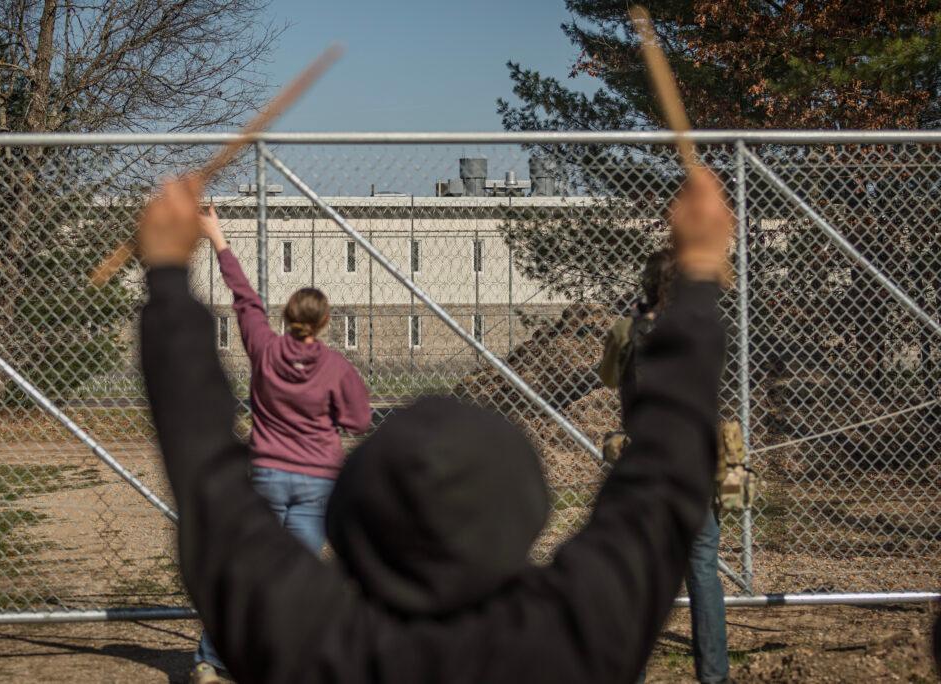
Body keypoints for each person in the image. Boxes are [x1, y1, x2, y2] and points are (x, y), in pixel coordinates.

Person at [137, 167, 733, 684]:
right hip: (311, 472)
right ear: (527, 509)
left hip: (271, 469)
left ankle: (208, 661)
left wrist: (167, 276)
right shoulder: (577, 641)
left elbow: (206, 472)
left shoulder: (307, 647)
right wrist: (699, 276)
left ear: (357, 521)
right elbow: (666, 468)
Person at [189, 205, 372, 683]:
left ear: (288, 317)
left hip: (267, 473)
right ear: (325, 321)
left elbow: (244, 298)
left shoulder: (265, 350)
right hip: (318, 481)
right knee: (296, 579)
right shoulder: (337, 368)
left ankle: (212, 659)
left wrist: (217, 235)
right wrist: (328, 413)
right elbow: (358, 420)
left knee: (248, 572)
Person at [599, 248, 730, 684]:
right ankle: (714, 676)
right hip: (693, 467)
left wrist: (635, 323)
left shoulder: (627, 330)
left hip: (645, 470)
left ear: (647, 284)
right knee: (703, 573)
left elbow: (608, 377)